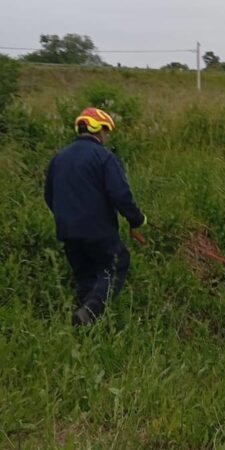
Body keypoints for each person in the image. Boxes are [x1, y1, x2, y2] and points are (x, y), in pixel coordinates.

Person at [44, 107, 147, 326]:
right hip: (97, 231)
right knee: (116, 264)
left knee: (85, 276)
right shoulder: (104, 157)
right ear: (97, 129)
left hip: (67, 231)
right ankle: (91, 311)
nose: (106, 137)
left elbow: (49, 196)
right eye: (106, 131)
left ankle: (83, 326)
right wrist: (136, 219)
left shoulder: (59, 158)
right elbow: (120, 194)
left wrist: (67, 217)